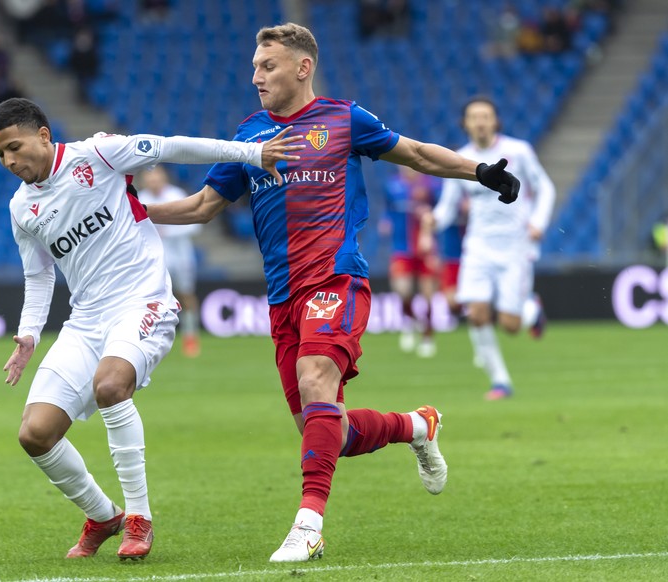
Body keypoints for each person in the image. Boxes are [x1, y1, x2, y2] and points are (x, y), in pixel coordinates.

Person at [144, 23, 520, 562]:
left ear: (302, 67)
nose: (256, 76)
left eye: (267, 66)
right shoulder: (248, 135)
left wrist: (478, 171)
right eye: (254, 66)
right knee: (328, 431)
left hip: (336, 278)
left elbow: (415, 154)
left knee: (316, 378)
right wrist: (136, 212)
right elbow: (204, 205)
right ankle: (417, 425)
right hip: (282, 299)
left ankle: (309, 525)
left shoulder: (344, 119)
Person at [0, 97, 301, 561]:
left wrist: (251, 154)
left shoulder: (99, 154)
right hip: (86, 321)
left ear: (44, 135)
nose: (10, 161)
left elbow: (173, 147)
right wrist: (29, 332)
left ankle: (138, 519)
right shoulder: (21, 208)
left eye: (14, 147)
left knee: (111, 386)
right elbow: (39, 275)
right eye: (0, 155)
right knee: (34, 433)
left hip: (142, 302)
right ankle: (102, 515)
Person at [420, 96, 555, 400]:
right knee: (477, 313)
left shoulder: (518, 151)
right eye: (474, 116)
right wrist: (433, 221)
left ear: (495, 121)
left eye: (485, 116)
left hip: (515, 246)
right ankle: (500, 381)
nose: (480, 121)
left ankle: (532, 311)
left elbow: (545, 186)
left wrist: (539, 222)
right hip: (478, 246)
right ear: (465, 123)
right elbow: (448, 208)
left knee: (510, 324)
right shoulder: (461, 159)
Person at [137, 165, 203, 357]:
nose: (153, 182)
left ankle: (191, 336)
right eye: (150, 179)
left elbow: (194, 224)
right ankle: (150, 339)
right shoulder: (139, 198)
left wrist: (167, 230)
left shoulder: (176, 194)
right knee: (150, 297)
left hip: (181, 254)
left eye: (157, 178)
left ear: (164, 178)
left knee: (186, 295)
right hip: (152, 258)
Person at [383, 165, 442, 357]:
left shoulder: (431, 186)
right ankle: (410, 323)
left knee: (428, 295)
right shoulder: (393, 186)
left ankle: (427, 336)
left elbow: (440, 212)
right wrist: (386, 220)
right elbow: (388, 209)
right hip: (402, 248)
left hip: (426, 249)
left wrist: (431, 232)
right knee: (403, 291)